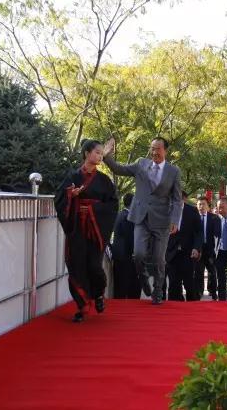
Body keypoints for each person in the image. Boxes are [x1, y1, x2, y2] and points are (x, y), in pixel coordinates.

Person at [102, 136, 182, 305]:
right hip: (141, 218)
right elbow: (119, 169)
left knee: (159, 259)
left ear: (165, 151)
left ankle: (158, 291)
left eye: (158, 149)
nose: (154, 152)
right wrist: (107, 156)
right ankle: (143, 278)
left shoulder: (174, 171)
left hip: (162, 221)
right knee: (138, 255)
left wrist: (175, 220)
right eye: (152, 148)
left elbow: (176, 199)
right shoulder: (141, 164)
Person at [54, 139, 118, 322]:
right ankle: (82, 307)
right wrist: (71, 196)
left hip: (96, 229)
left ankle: (98, 294)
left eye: (101, 153)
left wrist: (92, 210)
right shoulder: (72, 177)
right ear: (87, 153)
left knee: (94, 266)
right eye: (97, 152)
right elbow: (59, 199)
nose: (100, 156)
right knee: (76, 265)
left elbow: (113, 204)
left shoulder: (104, 180)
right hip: (77, 228)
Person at [165, 191, 202, 301]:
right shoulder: (167, 210)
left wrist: (196, 248)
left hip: (188, 252)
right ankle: (175, 306)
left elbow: (199, 232)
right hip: (172, 252)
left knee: (189, 282)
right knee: (173, 283)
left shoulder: (192, 211)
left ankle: (192, 305)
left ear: (184, 199)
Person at [111, 193, 141, 299]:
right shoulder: (128, 217)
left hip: (120, 256)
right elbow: (130, 237)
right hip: (126, 257)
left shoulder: (120, 214)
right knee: (128, 287)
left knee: (120, 286)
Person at [195, 196, 220, 300]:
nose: (201, 206)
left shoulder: (214, 218)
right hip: (198, 249)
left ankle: (213, 292)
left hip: (210, 249)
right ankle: (199, 292)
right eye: (199, 204)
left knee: (212, 272)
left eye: (203, 204)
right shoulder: (194, 217)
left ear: (208, 206)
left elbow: (217, 234)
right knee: (198, 272)